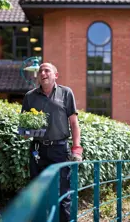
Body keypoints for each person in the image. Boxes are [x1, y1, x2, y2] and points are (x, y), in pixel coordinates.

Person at [21, 62, 83, 222]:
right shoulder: (30, 97)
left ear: (55, 75)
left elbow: (74, 123)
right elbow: (24, 126)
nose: (43, 73)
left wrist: (77, 149)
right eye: (40, 71)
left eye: (47, 70)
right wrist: (26, 132)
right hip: (37, 150)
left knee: (63, 193)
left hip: (60, 150)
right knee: (37, 194)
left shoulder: (66, 93)